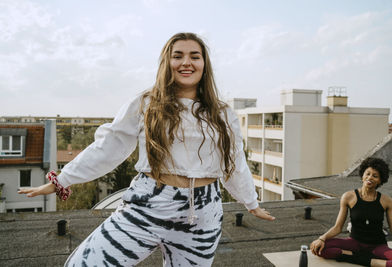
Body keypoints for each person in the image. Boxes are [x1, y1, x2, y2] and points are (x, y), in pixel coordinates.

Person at [18, 32, 275, 267]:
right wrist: (61, 180)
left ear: (204, 65)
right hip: (149, 205)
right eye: (178, 56)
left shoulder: (222, 113)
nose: (186, 62)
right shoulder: (147, 103)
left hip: (203, 215)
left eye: (194, 56)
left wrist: (251, 203)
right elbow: (110, 146)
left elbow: (234, 161)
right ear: (167, 63)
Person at [310, 157, 392, 267]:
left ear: (380, 181)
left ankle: (362, 259)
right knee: (320, 248)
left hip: (378, 247)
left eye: (375, 176)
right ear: (362, 175)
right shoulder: (348, 197)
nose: (370, 177)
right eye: (367, 174)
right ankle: (368, 259)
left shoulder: (386, 201)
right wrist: (321, 239)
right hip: (354, 243)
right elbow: (338, 227)